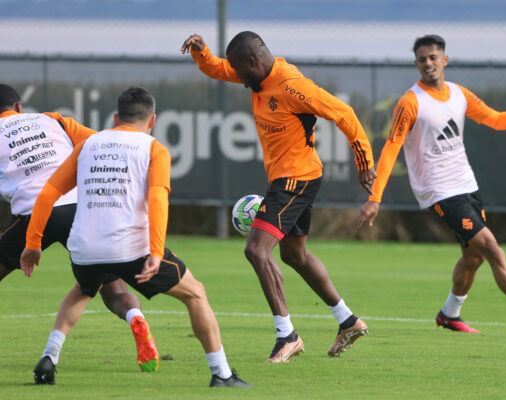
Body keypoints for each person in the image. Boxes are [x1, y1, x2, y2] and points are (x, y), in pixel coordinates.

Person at [21, 87, 252, 387]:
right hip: (132, 249)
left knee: (83, 289)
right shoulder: (154, 148)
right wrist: (156, 252)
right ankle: (221, 373)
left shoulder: (88, 145)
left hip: (85, 248)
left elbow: (48, 193)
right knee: (195, 294)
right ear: (152, 120)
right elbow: (157, 200)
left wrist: (32, 244)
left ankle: (49, 357)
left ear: (116, 117)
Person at [181, 31, 377, 362]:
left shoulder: (293, 86)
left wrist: (364, 163)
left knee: (257, 251)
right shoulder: (256, 77)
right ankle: (347, 320)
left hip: (294, 180)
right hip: (292, 178)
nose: (239, 80)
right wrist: (202, 53)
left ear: (253, 62)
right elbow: (219, 69)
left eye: (241, 72)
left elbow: (345, 114)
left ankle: (287, 335)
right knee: (294, 255)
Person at [359, 35, 506, 338]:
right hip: (438, 192)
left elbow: (495, 120)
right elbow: (390, 149)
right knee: (492, 249)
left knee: (474, 257)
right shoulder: (410, 102)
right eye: (422, 59)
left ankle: (449, 314)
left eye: (433, 57)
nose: (428, 63)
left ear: (445, 60)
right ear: (416, 64)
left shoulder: (459, 94)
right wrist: (375, 198)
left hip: (466, 184)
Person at [0, 83, 159, 384]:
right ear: (19, 106)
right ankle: (135, 318)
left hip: (36, 212)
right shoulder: (54, 120)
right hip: (81, 207)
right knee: (114, 290)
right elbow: (102, 144)